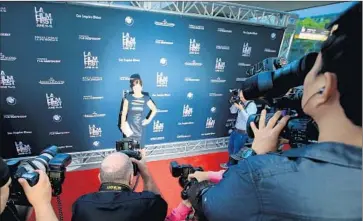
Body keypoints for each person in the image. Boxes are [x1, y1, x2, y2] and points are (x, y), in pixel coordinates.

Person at [194, 2, 362, 221]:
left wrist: (254, 158)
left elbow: (213, 206)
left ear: (325, 88)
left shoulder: (261, 177)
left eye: (310, 72)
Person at [71, 152, 167, 221]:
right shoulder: (147, 203)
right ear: (130, 178)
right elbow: (157, 205)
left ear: (100, 178)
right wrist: (145, 173)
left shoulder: (81, 205)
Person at [119, 74, 157, 157]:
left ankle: (142, 166)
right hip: (129, 127)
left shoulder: (146, 98)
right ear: (132, 87)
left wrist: (148, 120)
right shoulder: (128, 97)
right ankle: (129, 165)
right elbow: (124, 113)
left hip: (140, 128)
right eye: (134, 86)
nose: (136, 88)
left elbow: (154, 109)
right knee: (128, 148)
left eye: (138, 86)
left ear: (141, 87)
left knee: (141, 148)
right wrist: (122, 125)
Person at [221, 89, 257, 168]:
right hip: (235, 131)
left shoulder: (252, 105)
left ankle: (234, 169)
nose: (240, 98)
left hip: (243, 133)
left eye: (242, 96)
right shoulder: (241, 102)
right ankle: (230, 165)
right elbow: (232, 111)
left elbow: (249, 119)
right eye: (239, 96)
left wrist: (241, 109)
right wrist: (234, 103)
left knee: (237, 152)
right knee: (231, 149)